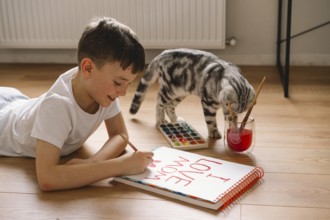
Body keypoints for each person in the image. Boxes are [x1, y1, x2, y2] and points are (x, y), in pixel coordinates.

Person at [0, 17, 154, 191]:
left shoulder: (101, 89)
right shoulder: (57, 107)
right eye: (119, 83)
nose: (123, 93)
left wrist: (93, 162)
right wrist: (119, 166)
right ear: (88, 68)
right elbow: (47, 178)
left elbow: (120, 134)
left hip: (18, 102)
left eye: (128, 84)